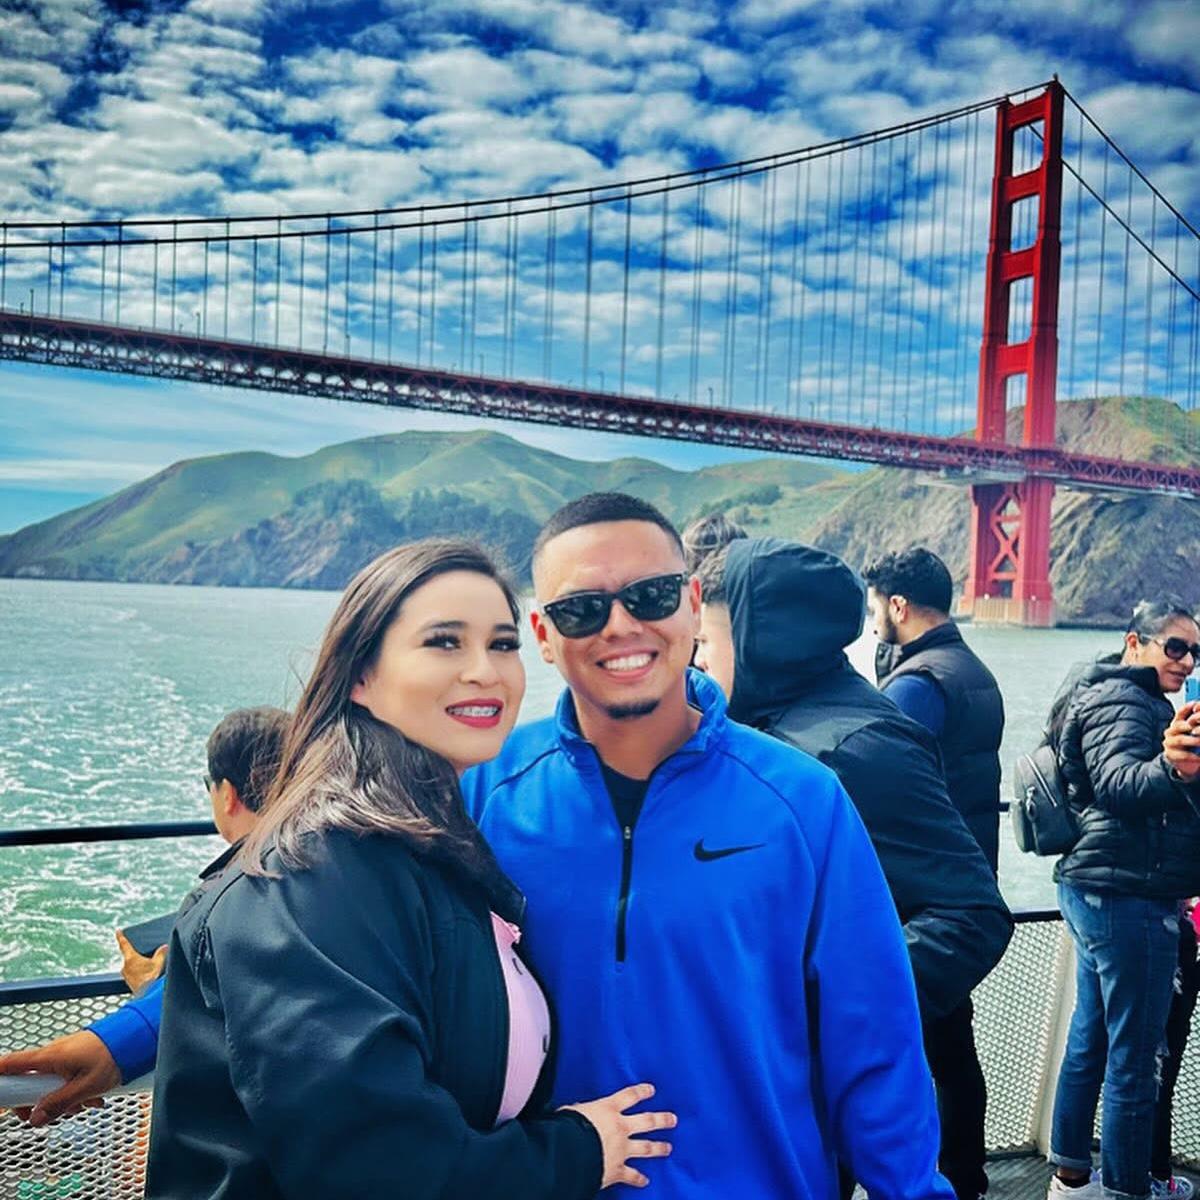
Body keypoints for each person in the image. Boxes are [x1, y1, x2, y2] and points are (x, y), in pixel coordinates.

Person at [463, 492, 955, 1200]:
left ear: (693, 606)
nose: (621, 626)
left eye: (652, 595)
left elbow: (876, 1041)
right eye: (582, 609)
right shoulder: (481, 795)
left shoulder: (803, 802)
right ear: (542, 634)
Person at [147, 540, 675, 1199]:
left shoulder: (420, 846)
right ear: (361, 676)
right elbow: (381, 1170)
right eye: (445, 643)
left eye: (502, 643)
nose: (485, 671)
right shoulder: (315, 876)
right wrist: (577, 1152)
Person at [692, 538, 1012, 1200]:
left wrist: (821, 1011)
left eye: (708, 643)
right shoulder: (769, 728)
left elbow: (972, 913)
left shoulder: (853, 748)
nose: (695, 661)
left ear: (761, 640)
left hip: (804, 1080)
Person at [0, 705, 290, 1128]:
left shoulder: (233, 898)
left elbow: (251, 955)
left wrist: (140, 1023)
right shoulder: (342, 868)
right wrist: (167, 990)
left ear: (226, 794)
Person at [863, 547, 1006, 1200]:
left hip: (916, 897)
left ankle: (921, 1182)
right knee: (953, 1052)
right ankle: (966, 1178)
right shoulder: (972, 672)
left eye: (874, 610)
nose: (871, 627)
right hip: (966, 885)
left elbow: (883, 785)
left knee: (900, 1053)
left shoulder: (916, 686)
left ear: (897, 606)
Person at [1046, 598, 1200, 1200]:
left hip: (1097, 889)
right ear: (1135, 642)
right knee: (1135, 1060)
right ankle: (1130, 1191)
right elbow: (1118, 785)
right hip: (1130, 897)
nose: (1187, 662)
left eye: (1196, 652)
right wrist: (1175, 768)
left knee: (1091, 1040)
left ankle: (1072, 1177)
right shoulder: (1124, 699)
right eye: (1176, 646)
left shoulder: (1106, 690)